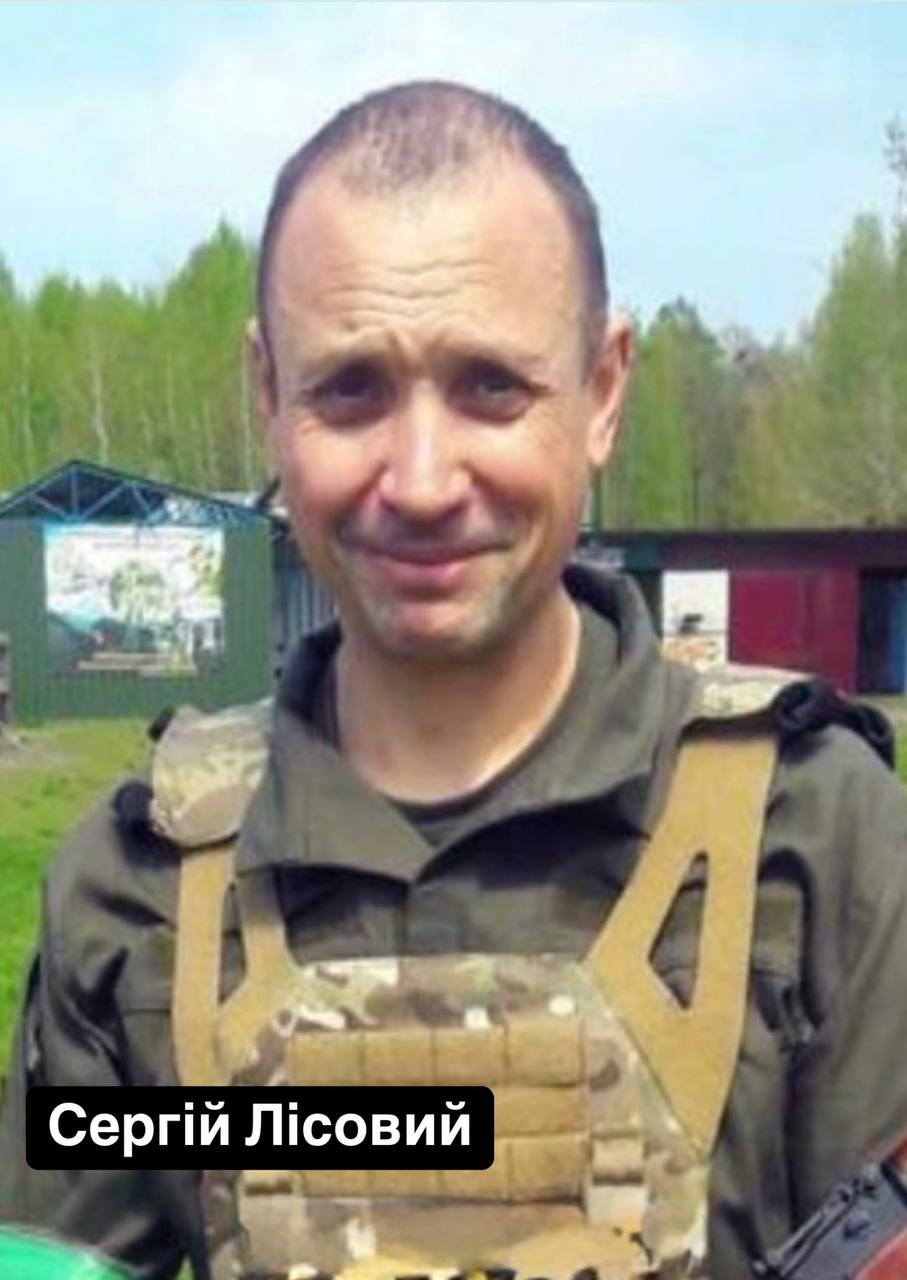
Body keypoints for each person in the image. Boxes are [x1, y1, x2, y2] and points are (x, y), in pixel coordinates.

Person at [2, 80, 907, 1280]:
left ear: (602, 390)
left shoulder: (819, 839)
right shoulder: (141, 887)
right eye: (350, 390)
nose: (422, 480)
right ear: (268, 395)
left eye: (490, 385)